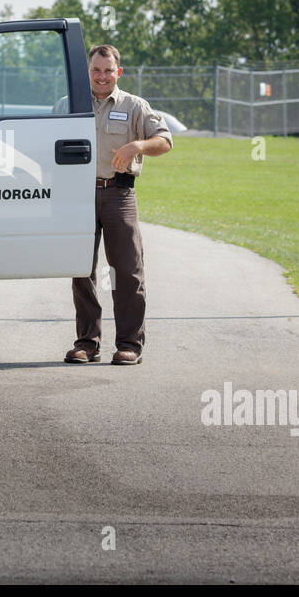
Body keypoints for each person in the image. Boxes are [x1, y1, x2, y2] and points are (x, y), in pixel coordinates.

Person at [63, 45, 172, 366]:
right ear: (88, 72)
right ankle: (87, 343)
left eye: (108, 70)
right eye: (96, 70)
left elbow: (165, 141)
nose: (101, 76)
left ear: (118, 73)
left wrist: (138, 144)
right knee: (81, 270)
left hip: (119, 195)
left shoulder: (134, 106)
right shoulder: (68, 105)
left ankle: (129, 345)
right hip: (78, 196)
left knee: (127, 271)